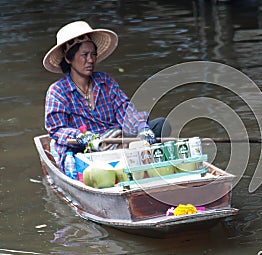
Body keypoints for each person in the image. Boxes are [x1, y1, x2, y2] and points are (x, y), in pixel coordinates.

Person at [43, 21, 170, 169]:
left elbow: (124, 109)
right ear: (68, 58)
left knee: (160, 124)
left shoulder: (105, 81)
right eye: (84, 55)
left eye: (93, 54)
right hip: (87, 148)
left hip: (116, 139)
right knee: (73, 155)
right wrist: (81, 136)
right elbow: (56, 129)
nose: (90, 60)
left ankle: (134, 156)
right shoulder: (58, 91)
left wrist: (142, 128)